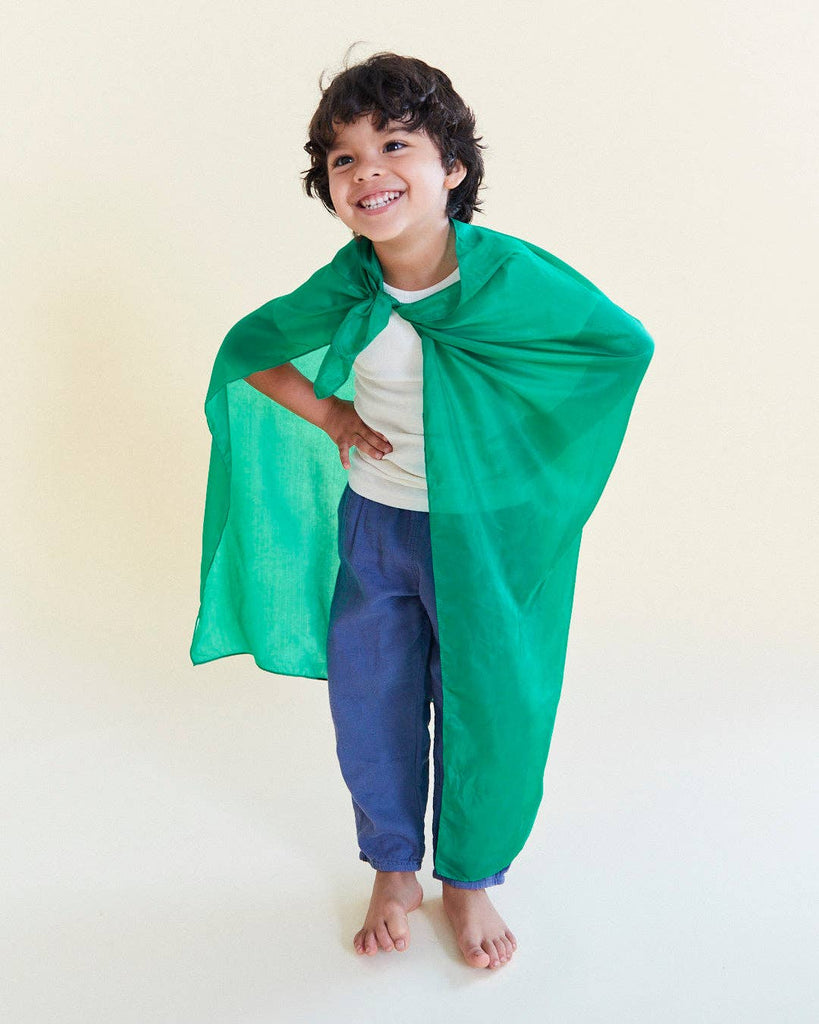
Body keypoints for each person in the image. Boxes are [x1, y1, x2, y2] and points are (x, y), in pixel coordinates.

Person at [190, 49, 654, 971]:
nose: (368, 171)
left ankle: (470, 877)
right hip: (377, 528)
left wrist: (528, 470)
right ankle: (394, 863)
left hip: (487, 539)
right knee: (374, 705)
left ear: (451, 167)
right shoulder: (352, 282)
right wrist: (329, 414)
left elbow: (617, 349)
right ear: (328, 188)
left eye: (394, 144)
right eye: (343, 159)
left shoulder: (508, 280)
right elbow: (249, 348)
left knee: (491, 707)